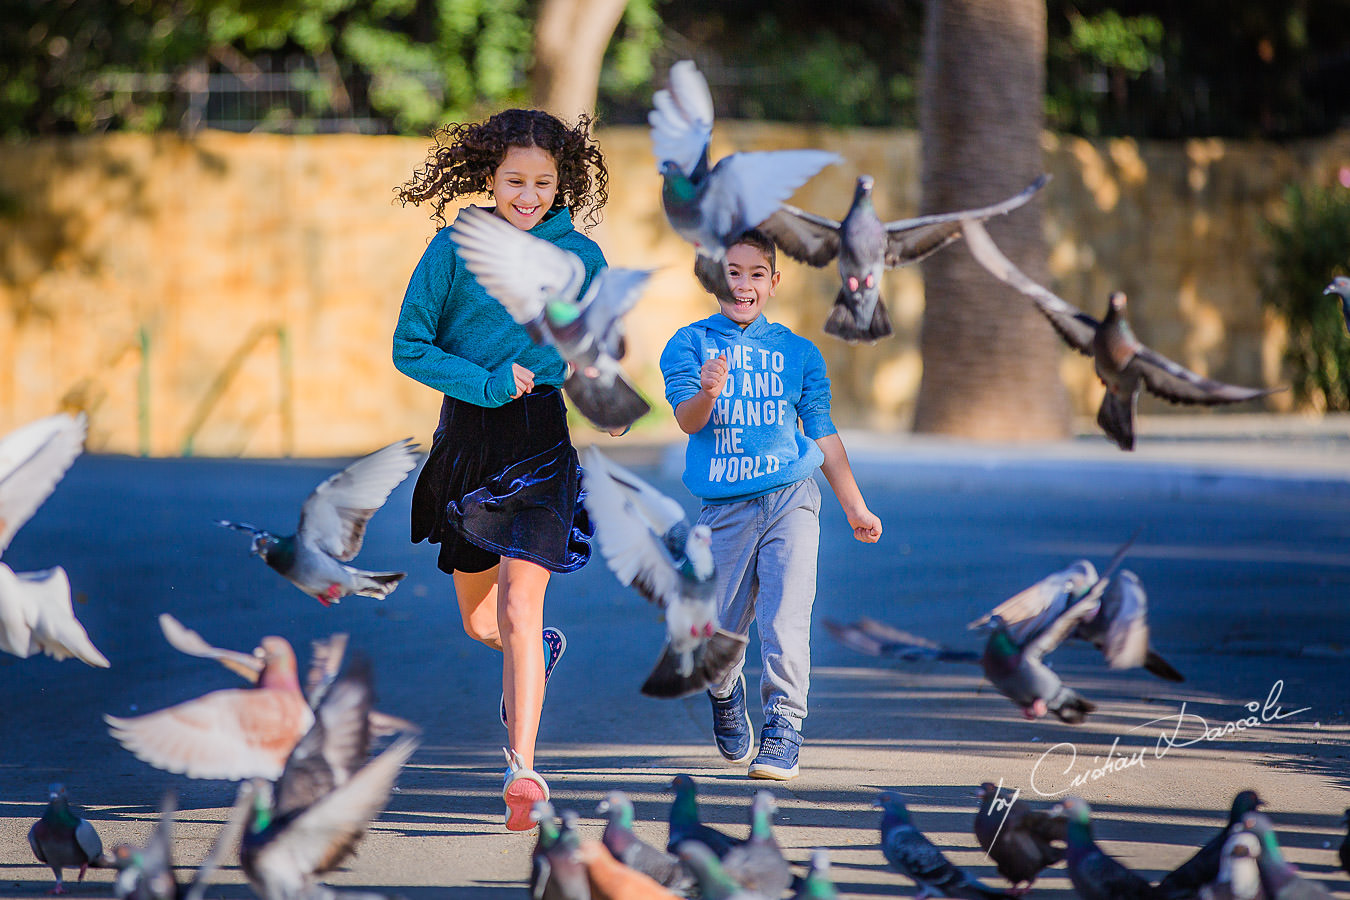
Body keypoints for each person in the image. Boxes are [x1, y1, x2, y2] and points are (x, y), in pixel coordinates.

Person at [391, 108, 608, 830]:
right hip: (466, 443)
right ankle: (537, 654)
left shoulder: (582, 258)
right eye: (514, 180)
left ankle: (522, 768)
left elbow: (590, 351)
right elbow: (409, 346)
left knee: (521, 606)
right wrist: (485, 381)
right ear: (490, 177)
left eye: (542, 182)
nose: (527, 195)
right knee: (483, 621)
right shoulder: (452, 249)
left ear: (560, 183)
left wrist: (603, 395)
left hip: (542, 444)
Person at [659, 228, 883, 780]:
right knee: (716, 636)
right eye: (732, 273)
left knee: (786, 620)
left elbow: (823, 433)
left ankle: (784, 728)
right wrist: (707, 393)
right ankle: (726, 689)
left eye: (756, 274)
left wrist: (854, 506)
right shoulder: (688, 345)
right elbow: (686, 419)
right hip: (724, 510)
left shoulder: (798, 354)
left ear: (774, 282)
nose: (743, 284)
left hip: (792, 500)